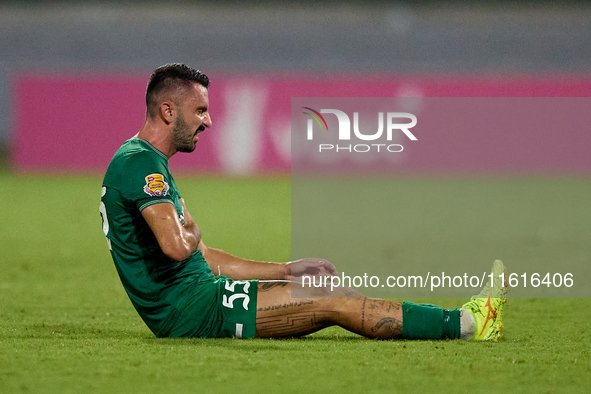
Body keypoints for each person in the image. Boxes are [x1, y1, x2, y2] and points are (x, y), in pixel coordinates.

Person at [99, 63, 508, 341]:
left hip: (203, 296)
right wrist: (193, 228)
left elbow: (206, 260)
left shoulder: (142, 161)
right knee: (329, 301)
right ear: (168, 110)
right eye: (199, 110)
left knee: (322, 286)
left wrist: (287, 268)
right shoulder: (141, 167)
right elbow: (177, 245)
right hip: (190, 314)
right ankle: (470, 324)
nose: (207, 121)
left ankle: (463, 321)